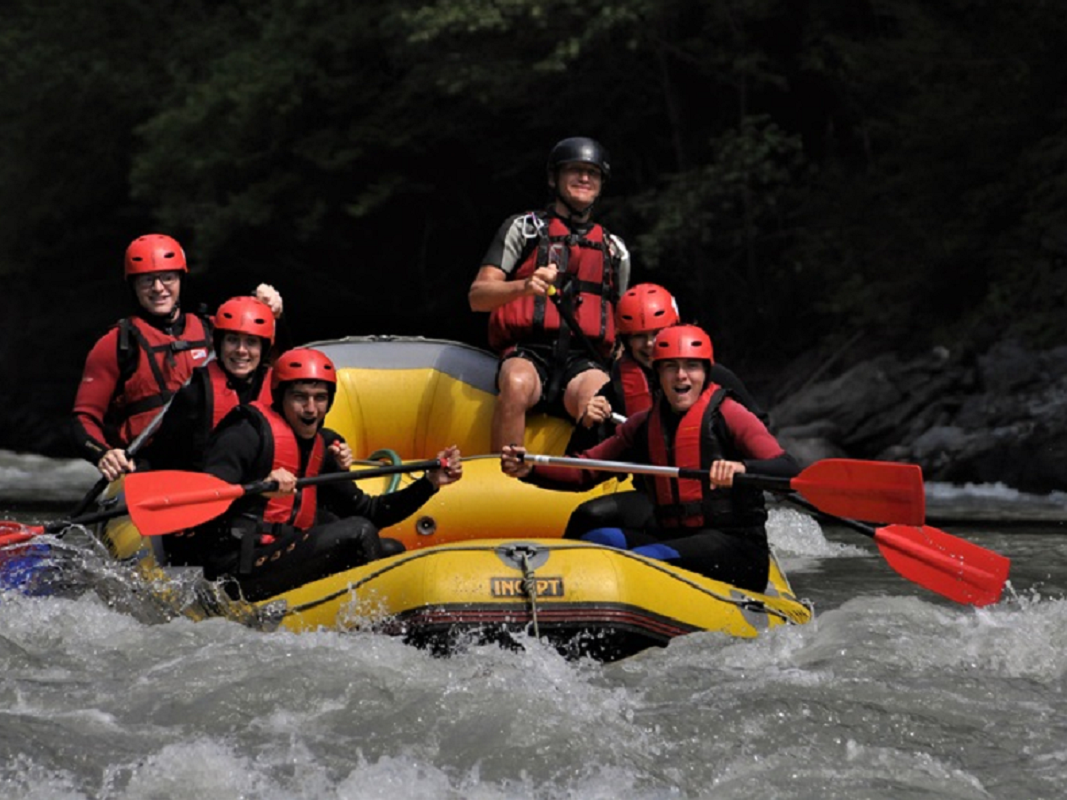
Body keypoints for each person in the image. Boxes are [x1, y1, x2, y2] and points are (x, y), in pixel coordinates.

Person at [500, 324, 798, 592]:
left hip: (736, 548)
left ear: (706, 373)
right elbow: (585, 471)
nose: (681, 376)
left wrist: (742, 467)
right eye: (671, 367)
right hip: (676, 538)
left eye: (691, 367)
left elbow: (788, 471)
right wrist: (530, 469)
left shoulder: (730, 414)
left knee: (641, 561)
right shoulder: (644, 425)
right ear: (658, 374)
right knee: (598, 539)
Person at [189, 347, 463, 601]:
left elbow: (371, 512)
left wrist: (429, 484)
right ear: (280, 397)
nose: (311, 409)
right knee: (359, 533)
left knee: (391, 549)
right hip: (238, 568)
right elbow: (203, 499)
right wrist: (259, 487)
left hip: (283, 553)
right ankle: (375, 624)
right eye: (300, 397)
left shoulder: (325, 447)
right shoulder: (246, 434)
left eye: (320, 398)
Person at [563, 283, 771, 542]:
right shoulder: (616, 389)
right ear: (626, 340)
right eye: (639, 336)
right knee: (589, 516)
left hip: (719, 501)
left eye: (657, 333)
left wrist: (734, 464)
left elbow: (762, 435)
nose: (650, 344)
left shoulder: (713, 376)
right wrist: (587, 425)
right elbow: (580, 461)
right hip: (657, 500)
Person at [72, 233, 284, 482]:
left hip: (221, 462)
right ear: (133, 285)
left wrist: (270, 314)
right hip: (148, 467)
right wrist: (104, 454)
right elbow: (83, 419)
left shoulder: (216, 331)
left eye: (167, 278)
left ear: (180, 280)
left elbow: (273, 369)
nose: (158, 288)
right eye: (147, 280)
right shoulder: (116, 344)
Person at [469, 136, 631, 452]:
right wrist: (524, 286)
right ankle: (504, 478)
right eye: (575, 170)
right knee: (516, 385)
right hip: (527, 352)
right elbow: (478, 297)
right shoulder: (524, 229)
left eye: (593, 173)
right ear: (554, 178)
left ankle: (584, 483)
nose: (584, 178)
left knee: (599, 402)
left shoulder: (615, 249)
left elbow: (621, 324)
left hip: (584, 361)